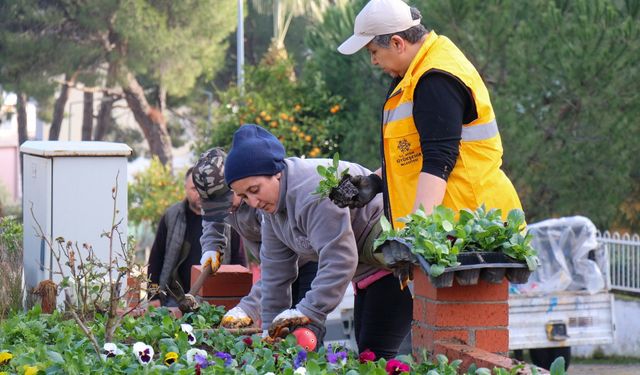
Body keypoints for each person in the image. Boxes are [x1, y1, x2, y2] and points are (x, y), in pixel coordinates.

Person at [336, 0, 523, 280]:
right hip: (455, 229)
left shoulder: (434, 78)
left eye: (373, 51)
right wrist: (375, 182)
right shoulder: (419, 71)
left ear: (398, 42)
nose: (373, 61)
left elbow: (439, 160)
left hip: (467, 232)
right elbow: (416, 153)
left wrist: (418, 235)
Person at [224, 124, 412, 359]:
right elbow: (275, 275)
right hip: (364, 274)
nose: (252, 202)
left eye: (255, 189)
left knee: (374, 358)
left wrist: (307, 311)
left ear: (276, 172)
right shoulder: (271, 212)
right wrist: (269, 334)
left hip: (390, 264)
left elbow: (340, 260)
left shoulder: (310, 192)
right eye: (243, 196)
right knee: (368, 356)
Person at [191, 148, 318, 328]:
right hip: (274, 267)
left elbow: (276, 265)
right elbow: (212, 219)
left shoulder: (261, 202)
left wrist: (248, 308)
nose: (224, 210)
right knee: (278, 333)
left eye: (225, 202)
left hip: (304, 261)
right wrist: (212, 247)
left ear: (234, 184)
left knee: (304, 332)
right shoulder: (215, 195)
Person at [147, 166, 243, 306]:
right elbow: (156, 257)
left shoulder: (227, 216)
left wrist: (239, 298)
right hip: (175, 297)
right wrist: (153, 295)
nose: (199, 193)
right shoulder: (172, 216)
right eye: (194, 189)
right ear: (185, 188)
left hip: (214, 297)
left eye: (203, 189)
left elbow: (239, 258)